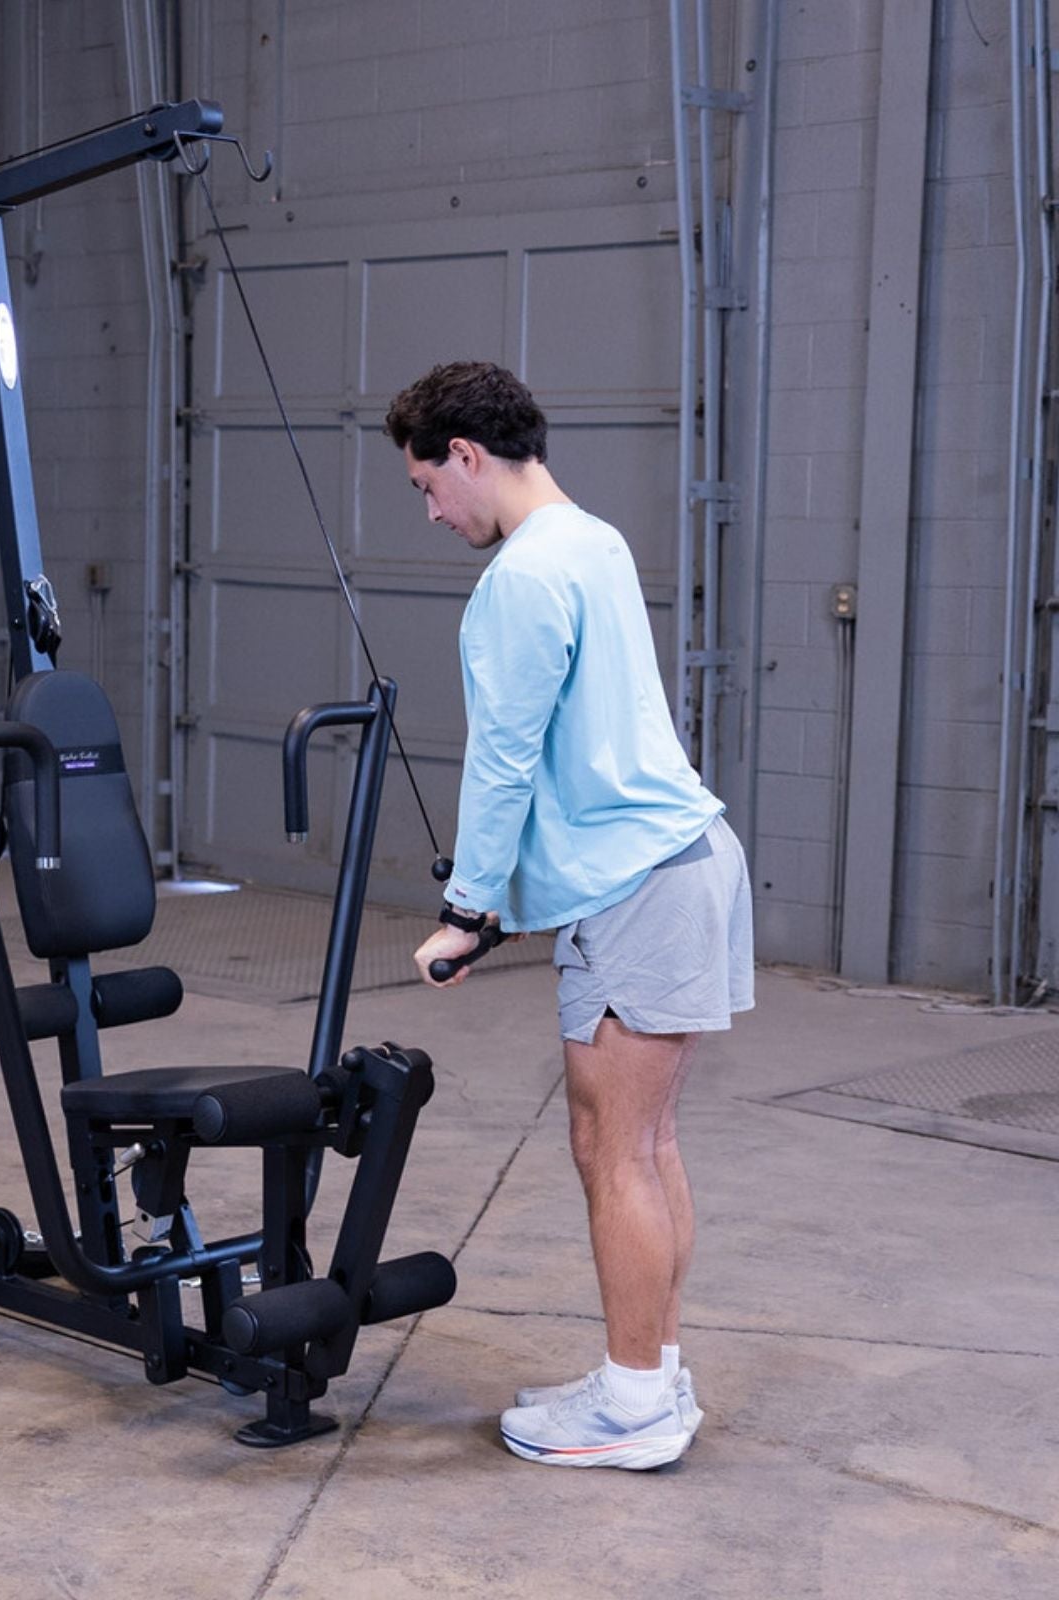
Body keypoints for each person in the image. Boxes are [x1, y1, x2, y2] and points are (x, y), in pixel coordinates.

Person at [384, 361, 754, 1471]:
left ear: (466, 454)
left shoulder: (520, 578)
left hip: (639, 887)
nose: (432, 512)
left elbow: (503, 761)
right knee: (646, 1142)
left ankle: (633, 1408)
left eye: (426, 485)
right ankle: (651, 1375)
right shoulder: (592, 540)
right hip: (682, 863)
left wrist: (466, 909)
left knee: (613, 1148)